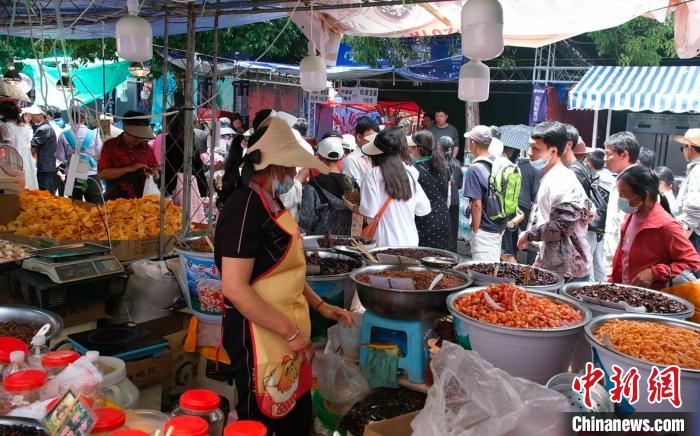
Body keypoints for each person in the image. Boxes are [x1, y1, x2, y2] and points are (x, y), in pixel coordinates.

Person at [214, 114, 352, 435]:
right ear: (273, 167)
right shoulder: (244, 207)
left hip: (285, 332)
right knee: (261, 420)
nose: (293, 174)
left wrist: (319, 306)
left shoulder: (270, 201)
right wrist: (291, 333)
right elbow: (235, 288)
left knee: (293, 415)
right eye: (289, 167)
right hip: (258, 335)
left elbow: (286, 269)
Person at [517, 121, 594, 281]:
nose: (530, 153)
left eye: (536, 149)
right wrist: (540, 258)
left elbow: (563, 225)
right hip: (561, 264)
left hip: (569, 270)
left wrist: (529, 235)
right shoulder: (554, 176)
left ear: (553, 151)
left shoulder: (560, 179)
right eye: (530, 147)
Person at [609, 165, 700, 289]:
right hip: (625, 293)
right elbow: (623, 257)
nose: (620, 199)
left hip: (651, 301)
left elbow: (693, 262)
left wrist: (654, 273)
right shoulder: (631, 217)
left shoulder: (666, 226)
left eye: (623, 194)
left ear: (644, 195)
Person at [358, 127, 431, 247]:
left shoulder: (372, 175)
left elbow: (369, 212)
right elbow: (423, 209)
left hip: (383, 244)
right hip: (409, 244)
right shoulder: (409, 173)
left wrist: (353, 206)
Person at [463, 126, 505, 261]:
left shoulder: (475, 168)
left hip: (484, 230)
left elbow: (476, 205)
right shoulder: (499, 162)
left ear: (473, 143)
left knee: (483, 274)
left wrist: (475, 232)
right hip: (499, 227)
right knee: (492, 267)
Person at [299, 137, 355, 235]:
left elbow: (306, 221)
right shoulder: (352, 184)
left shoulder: (313, 186)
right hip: (347, 243)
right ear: (341, 158)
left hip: (320, 243)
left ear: (319, 157)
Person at [97, 110, 159, 200]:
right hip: (114, 201)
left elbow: (157, 173)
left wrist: (154, 175)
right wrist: (129, 169)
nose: (140, 139)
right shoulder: (110, 146)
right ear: (126, 131)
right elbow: (102, 174)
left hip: (142, 203)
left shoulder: (146, 149)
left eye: (142, 136)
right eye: (136, 136)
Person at [603, 132, 640, 270]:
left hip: (623, 255)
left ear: (624, 155)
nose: (605, 159)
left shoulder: (632, 181)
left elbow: (627, 222)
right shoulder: (625, 177)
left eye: (608, 154)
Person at [501, 137, 540, 265]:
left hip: (512, 204)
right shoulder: (535, 168)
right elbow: (535, 192)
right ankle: (531, 265)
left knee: (511, 234)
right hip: (524, 207)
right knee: (532, 235)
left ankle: (512, 259)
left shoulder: (516, 165)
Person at [410, 130, 450, 249]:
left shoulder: (414, 171)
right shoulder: (444, 167)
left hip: (424, 223)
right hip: (444, 220)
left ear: (417, 147)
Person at [56, 107, 103, 203]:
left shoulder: (63, 135)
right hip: (90, 174)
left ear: (71, 118)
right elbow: (99, 153)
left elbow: (60, 157)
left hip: (71, 173)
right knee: (96, 206)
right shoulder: (94, 134)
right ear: (83, 118)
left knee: (74, 207)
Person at [585, 149, 614, 282]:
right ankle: (601, 287)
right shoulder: (612, 179)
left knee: (587, 260)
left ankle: (588, 287)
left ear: (589, 164)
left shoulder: (594, 179)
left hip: (592, 225)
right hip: (605, 226)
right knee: (599, 262)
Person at [673, 129, 700, 253]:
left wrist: (683, 237)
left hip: (694, 236)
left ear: (689, 147)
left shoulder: (697, 171)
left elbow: (694, 207)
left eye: (682, 148)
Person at [0, 102, 37, 190]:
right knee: (28, 179)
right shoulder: (24, 126)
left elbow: (7, 147)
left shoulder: (6, 126)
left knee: (15, 184)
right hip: (26, 157)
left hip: (14, 158)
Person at [24, 106, 58, 194]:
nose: (32, 117)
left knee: (45, 192)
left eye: (33, 115)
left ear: (40, 115)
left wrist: (25, 157)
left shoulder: (43, 128)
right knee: (50, 191)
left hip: (44, 165)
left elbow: (33, 146)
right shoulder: (47, 127)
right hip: (49, 165)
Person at [439, 136, 464, 252]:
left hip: (440, 201)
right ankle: (452, 254)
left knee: (440, 228)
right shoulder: (458, 163)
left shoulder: (437, 164)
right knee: (453, 231)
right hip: (454, 201)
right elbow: (459, 185)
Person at [342, 117, 378, 186]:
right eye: (370, 138)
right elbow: (352, 190)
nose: (374, 141)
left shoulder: (374, 156)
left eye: (375, 138)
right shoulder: (351, 160)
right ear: (359, 137)